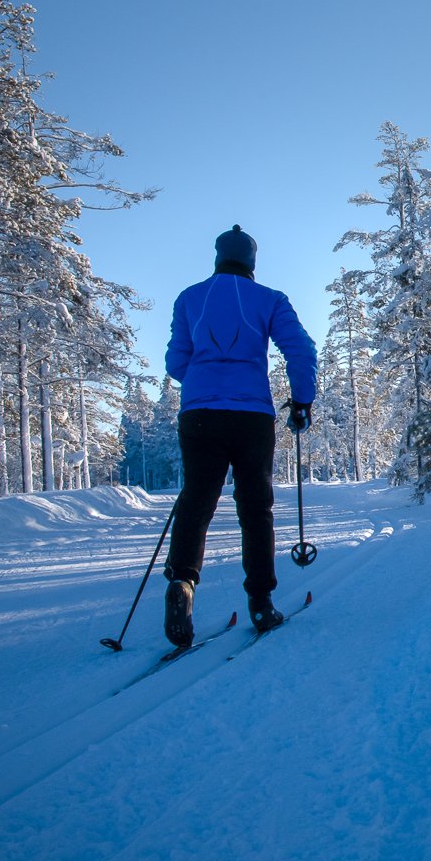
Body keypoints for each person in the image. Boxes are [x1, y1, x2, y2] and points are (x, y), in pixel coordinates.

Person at [161, 224, 317, 646]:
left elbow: (176, 362)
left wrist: (202, 378)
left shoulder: (190, 298)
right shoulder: (270, 300)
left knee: (197, 499)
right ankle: (262, 602)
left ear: (217, 256)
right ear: (252, 260)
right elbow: (300, 350)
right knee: (255, 507)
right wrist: (301, 401)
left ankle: (182, 583)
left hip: (199, 415)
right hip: (250, 416)